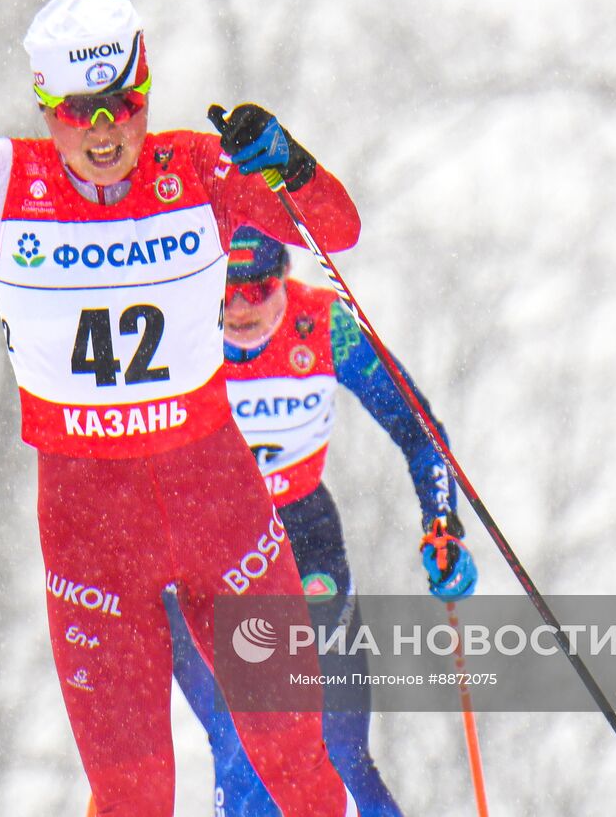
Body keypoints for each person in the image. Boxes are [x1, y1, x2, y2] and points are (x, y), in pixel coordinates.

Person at [0, 0, 364, 816]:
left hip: (219, 506)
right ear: (45, 104)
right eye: (79, 112)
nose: (104, 132)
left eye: (122, 105)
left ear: (145, 91)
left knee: (297, 758)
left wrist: (288, 160)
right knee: (133, 791)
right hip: (91, 533)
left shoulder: (200, 169)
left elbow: (337, 230)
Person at [163, 226, 478, 816]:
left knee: (338, 751)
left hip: (303, 536)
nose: (240, 310)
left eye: (257, 290)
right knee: (241, 744)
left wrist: (442, 524)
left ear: (284, 278)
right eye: (224, 293)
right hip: (203, 548)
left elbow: (419, 431)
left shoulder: (327, 325)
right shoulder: (175, 328)